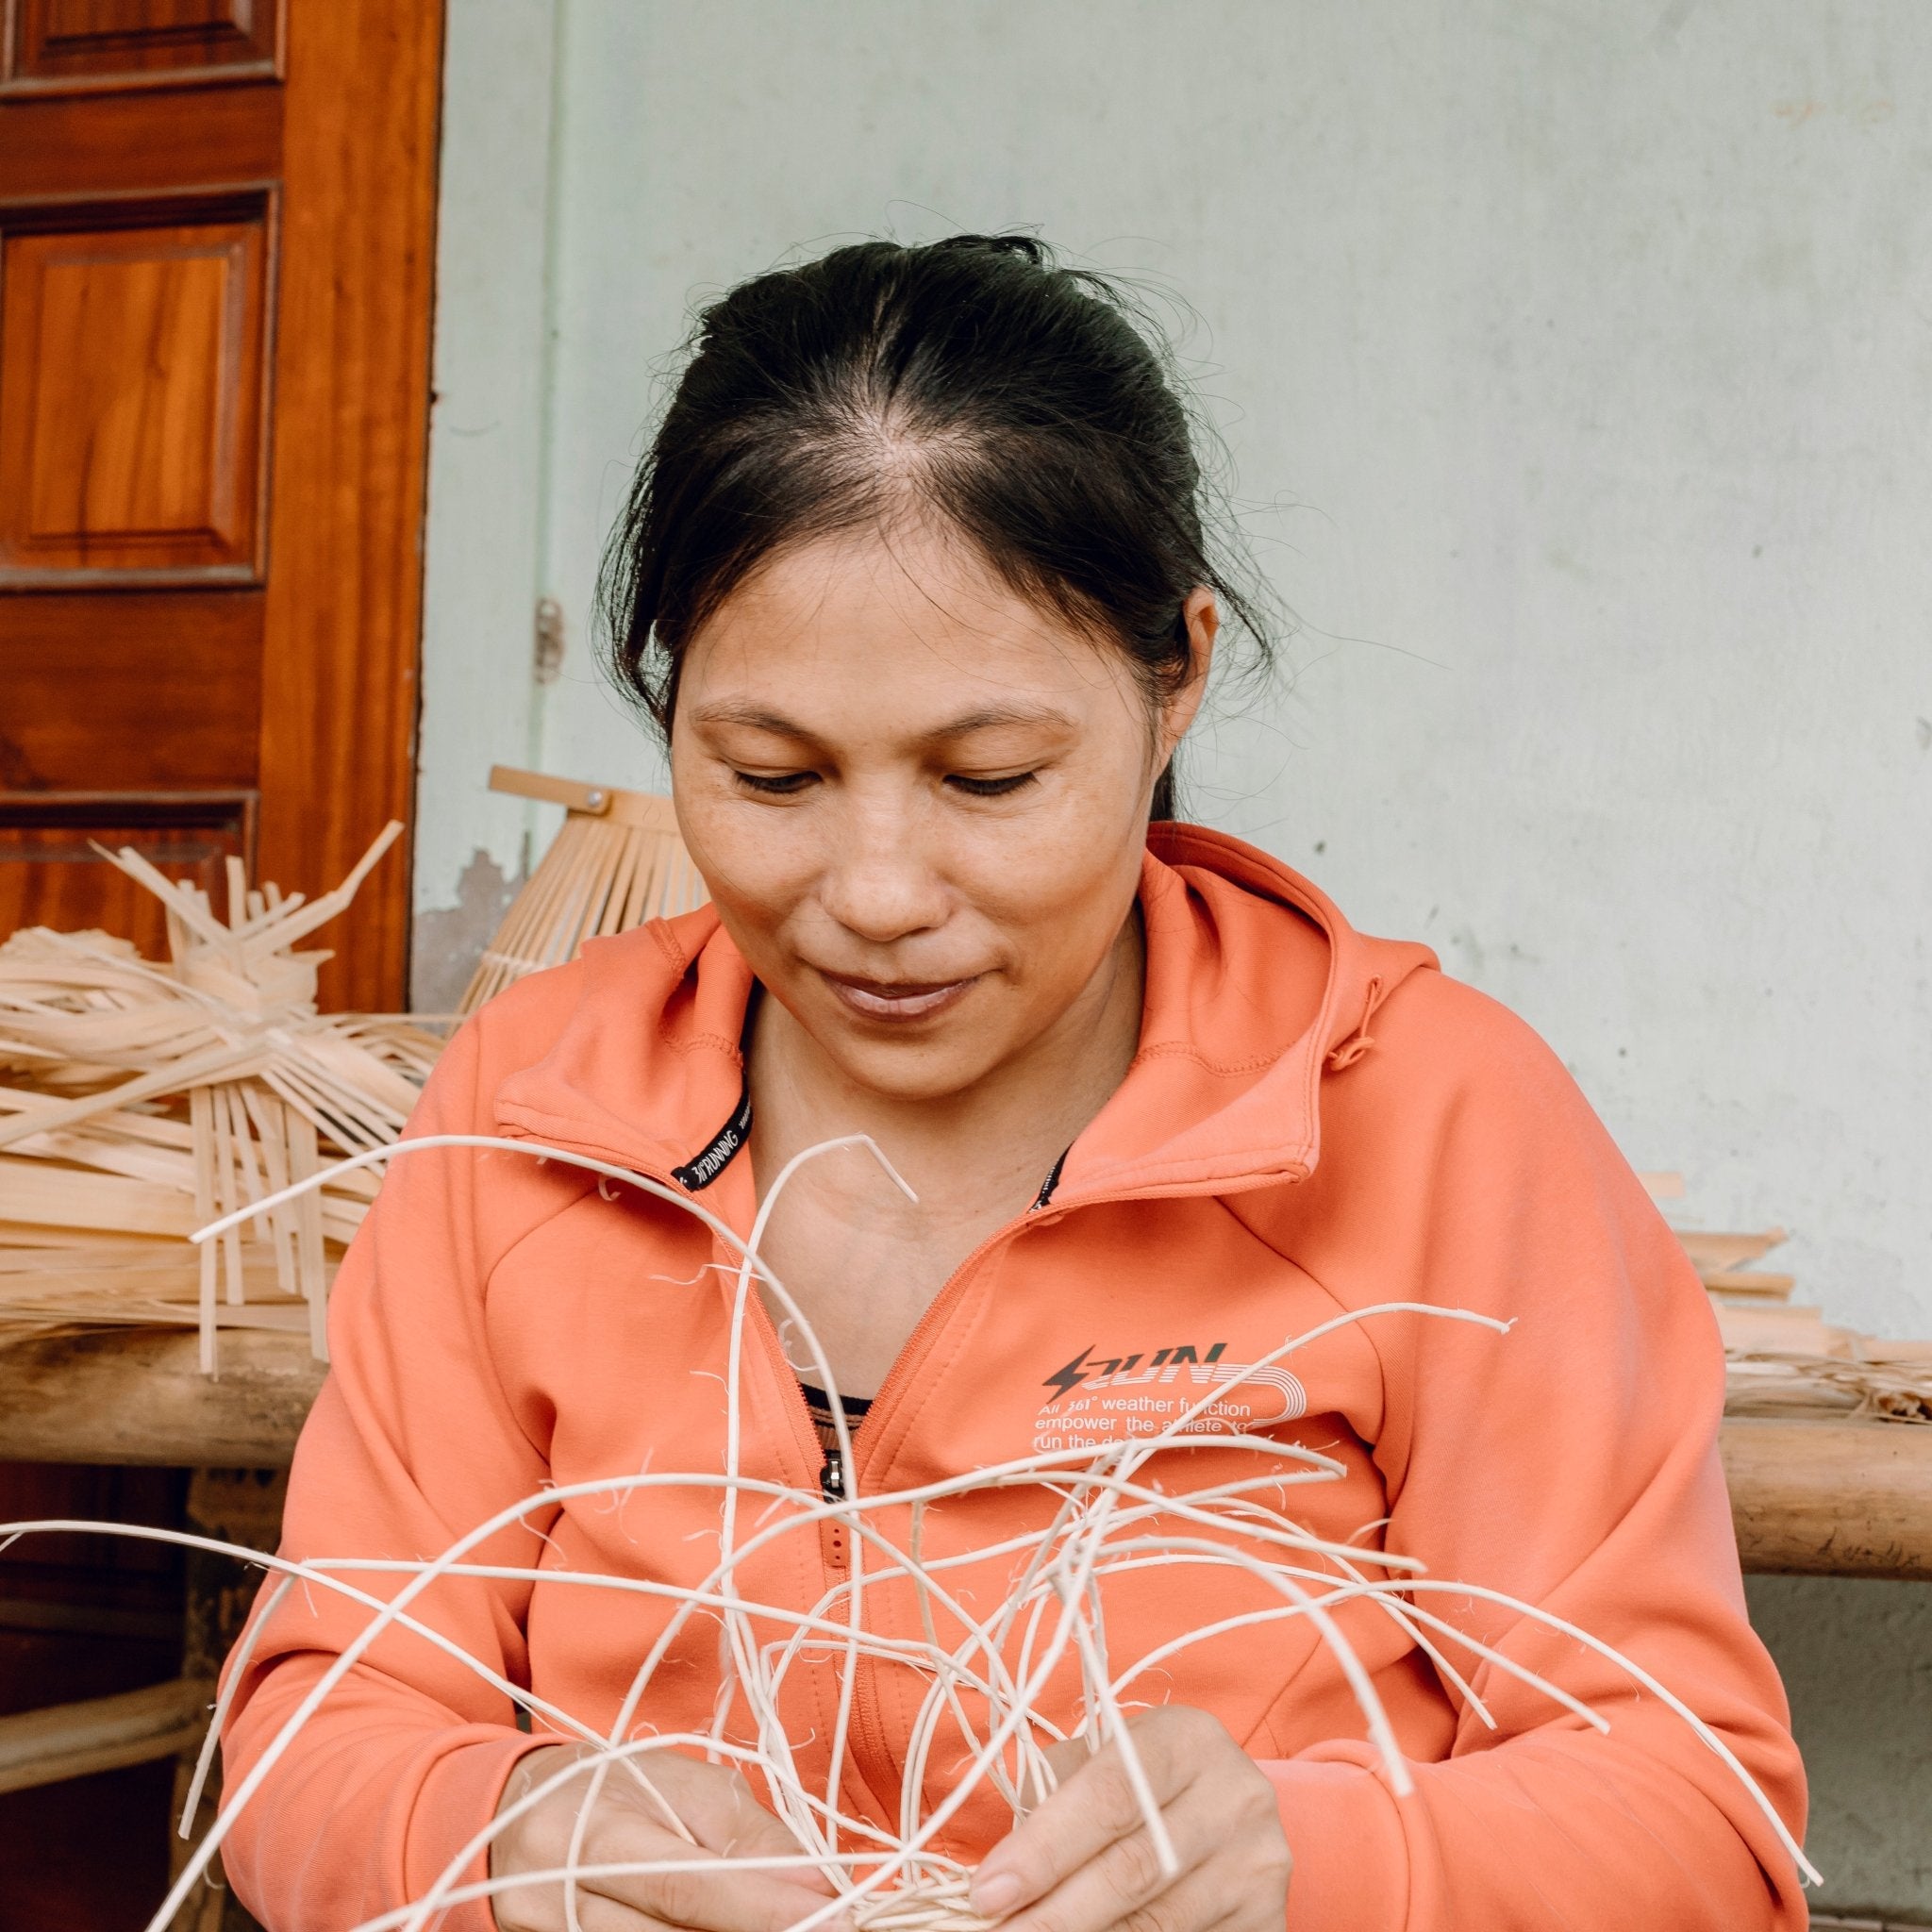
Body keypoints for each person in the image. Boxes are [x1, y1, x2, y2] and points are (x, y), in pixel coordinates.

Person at [219, 235, 1807, 1932]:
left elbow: (1705, 1828)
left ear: (1176, 674)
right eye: (771, 774)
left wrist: (1324, 1863)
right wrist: (495, 1837)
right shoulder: (539, 1105)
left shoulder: (1428, 1120)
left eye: (988, 778)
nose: (876, 892)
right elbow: (318, 1736)